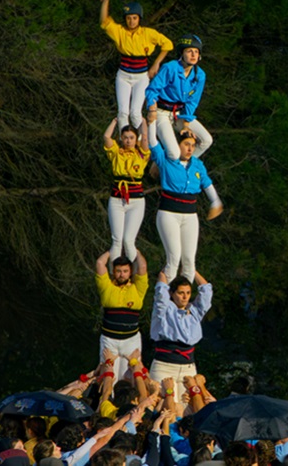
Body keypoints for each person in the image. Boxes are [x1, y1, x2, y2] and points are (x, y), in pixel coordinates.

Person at [147, 121, 222, 282]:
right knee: (174, 259)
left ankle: (183, 302)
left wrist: (215, 202)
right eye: (186, 144)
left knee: (189, 262)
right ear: (177, 144)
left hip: (190, 214)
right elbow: (153, 142)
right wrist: (152, 121)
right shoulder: (167, 160)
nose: (190, 149)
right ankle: (164, 299)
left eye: (193, 145)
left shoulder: (197, 164)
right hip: (169, 213)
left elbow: (207, 183)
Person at [96, 0, 173, 132]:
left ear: (139, 19)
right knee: (123, 113)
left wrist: (156, 64)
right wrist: (106, 1)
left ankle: (144, 140)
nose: (131, 21)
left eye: (134, 18)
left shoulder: (147, 33)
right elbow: (105, 22)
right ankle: (125, 142)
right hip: (124, 75)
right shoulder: (120, 32)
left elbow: (168, 45)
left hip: (141, 77)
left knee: (136, 114)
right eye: (129, 18)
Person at [146, 34, 213, 161]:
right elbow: (152, 89)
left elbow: (192, 102)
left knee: (206, 140)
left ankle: (180, 168)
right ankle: (166, 164)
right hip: (161, 112)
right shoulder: (170, 68)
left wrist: (186, 124)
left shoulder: (200, 75)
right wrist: (152, 109)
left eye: (196, 52)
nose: (193, 55)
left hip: (179, 114)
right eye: (189, 51)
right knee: (174, 153)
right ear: (182, 53)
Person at [149, 269, 213, 399]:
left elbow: (206, 292)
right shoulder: (165, 311)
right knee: (165, 407)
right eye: (180, 293)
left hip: (188, 367)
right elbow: (161, 295)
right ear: (172, 294)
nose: (185, 297)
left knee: (187, 407)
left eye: (188, 293)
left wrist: (191, 269)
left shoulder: (194, 312)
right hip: (164, 366)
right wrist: (165, 272)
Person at [95, 250, 149, 381]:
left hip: (131, 340)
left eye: (125, 271)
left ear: (130, 272)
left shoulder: (137, 288)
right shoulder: (107, 287)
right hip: (109, 340)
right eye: (118, 271)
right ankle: (106, 400)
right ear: (113, 271)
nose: (121, 275)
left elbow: (142, 267)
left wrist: (133, 249)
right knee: (107, 376)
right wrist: (112, 250)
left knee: (130, 377)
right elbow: (100, 263)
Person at [102, 119, 150, 262]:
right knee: (116, 240)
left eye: (131, 138)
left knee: (129, 240)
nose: (128, 141)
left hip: (136, 200)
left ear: (136, 139)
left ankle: (135, 274)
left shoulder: (141, 154)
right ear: (121, 139)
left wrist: (143, 122)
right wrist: (115, 121)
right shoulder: (117, 153)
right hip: (117, 199)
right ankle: (115, 274)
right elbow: (106, 137)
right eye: (125, 138)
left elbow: (145, 138)